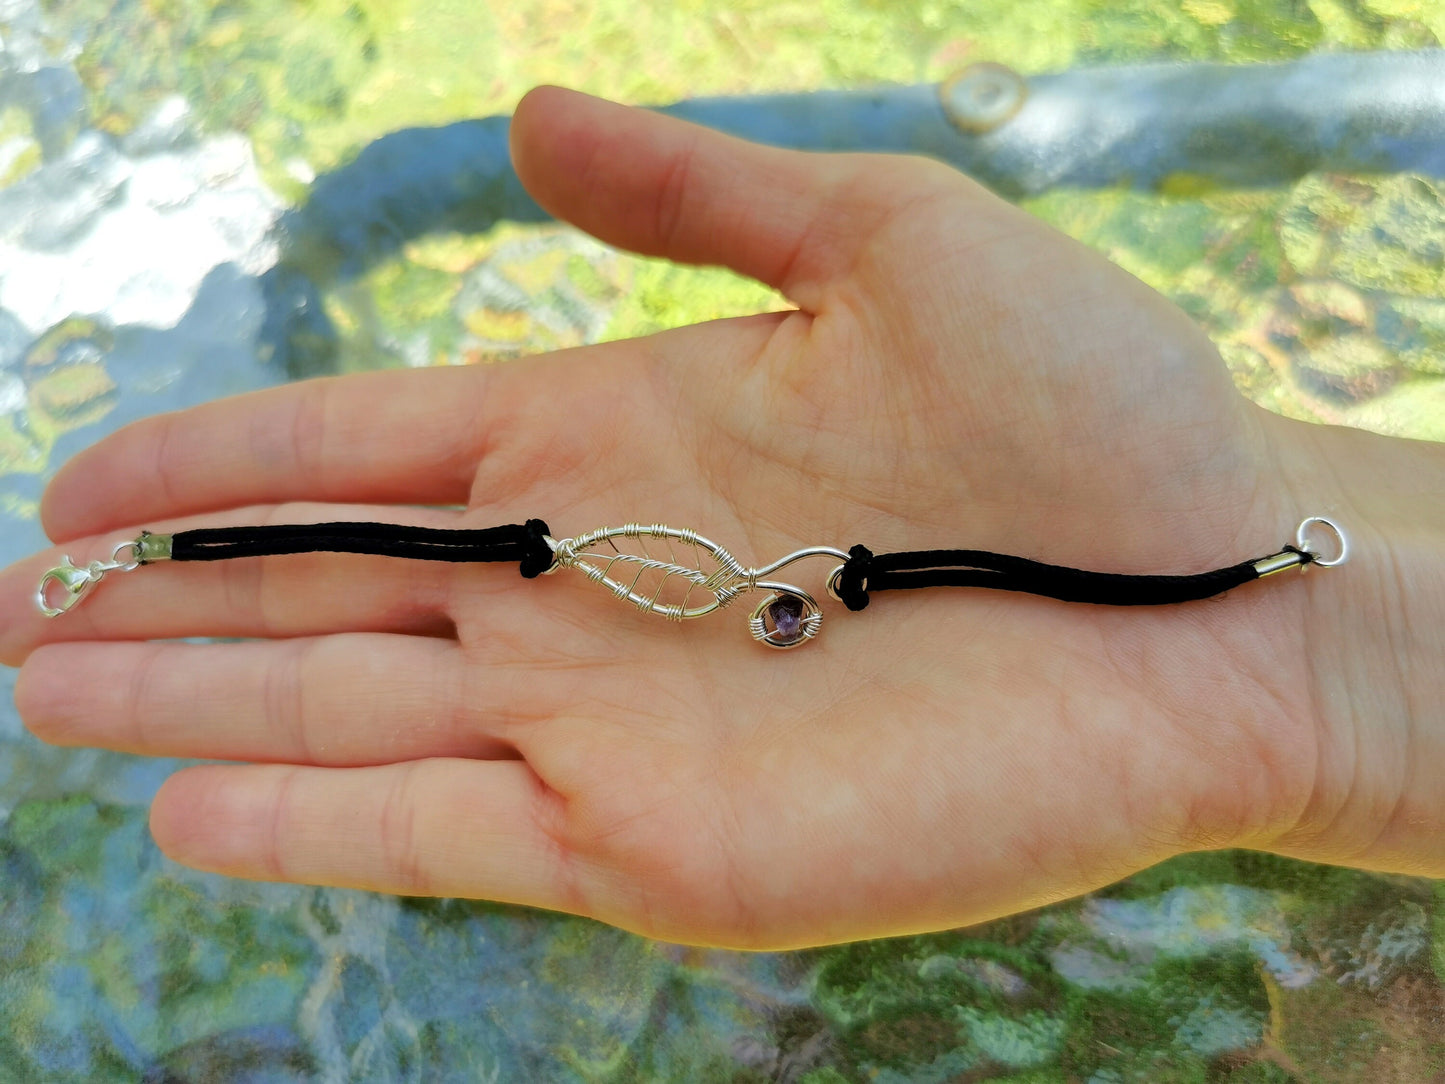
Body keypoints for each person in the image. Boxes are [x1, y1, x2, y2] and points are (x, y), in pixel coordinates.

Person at [1, 86, 1441, 950]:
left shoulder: (788, 576)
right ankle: (137, 555)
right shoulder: (731, 576)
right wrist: (1337, 667)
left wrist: (1321, 652)